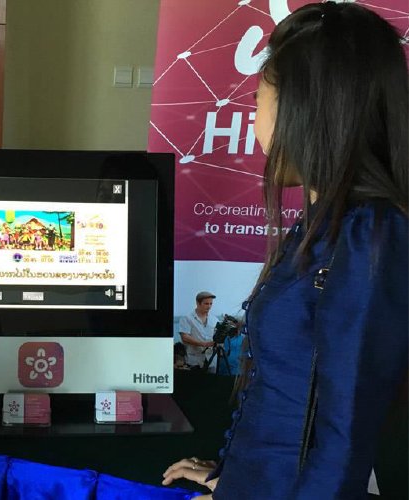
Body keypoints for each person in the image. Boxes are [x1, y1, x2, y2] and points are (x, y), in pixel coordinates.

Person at [162, 2, 407, 498]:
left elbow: (343, 439)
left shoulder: (370, 237)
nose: (254, 124)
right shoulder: (324, 225)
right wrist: (230, 480)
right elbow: (290, 400)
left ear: (306, 109)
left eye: (258, 102)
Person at [178, 291, 217, 370]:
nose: (209, 306)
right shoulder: (187, 318)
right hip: (194, 362)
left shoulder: (214, 319)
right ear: (198, 303)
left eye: (211, 304)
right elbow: (184, 337)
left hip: (211, 360)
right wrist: (203, 344)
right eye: (206, 303)